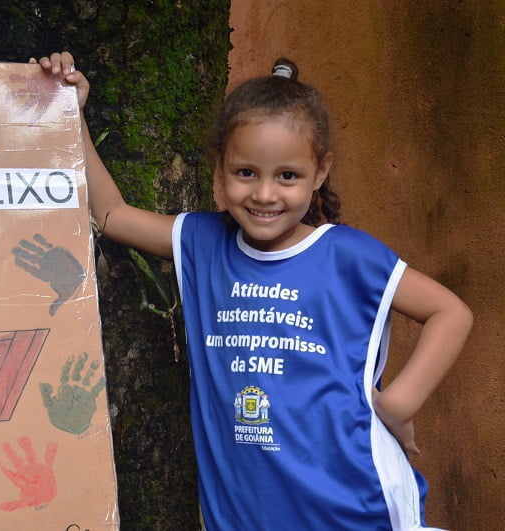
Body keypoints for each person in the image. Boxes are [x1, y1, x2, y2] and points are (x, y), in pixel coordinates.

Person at [31, 52, 473, 530]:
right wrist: (70, 111)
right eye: (246, 173)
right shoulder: (201, 242)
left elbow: (450, 312)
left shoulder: (347, 255)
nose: (265, 194)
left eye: (287, 176)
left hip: (354, 508)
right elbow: (112, 215)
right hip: (244, 515)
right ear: (220, 166)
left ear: (320, 172)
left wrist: (398, 404)